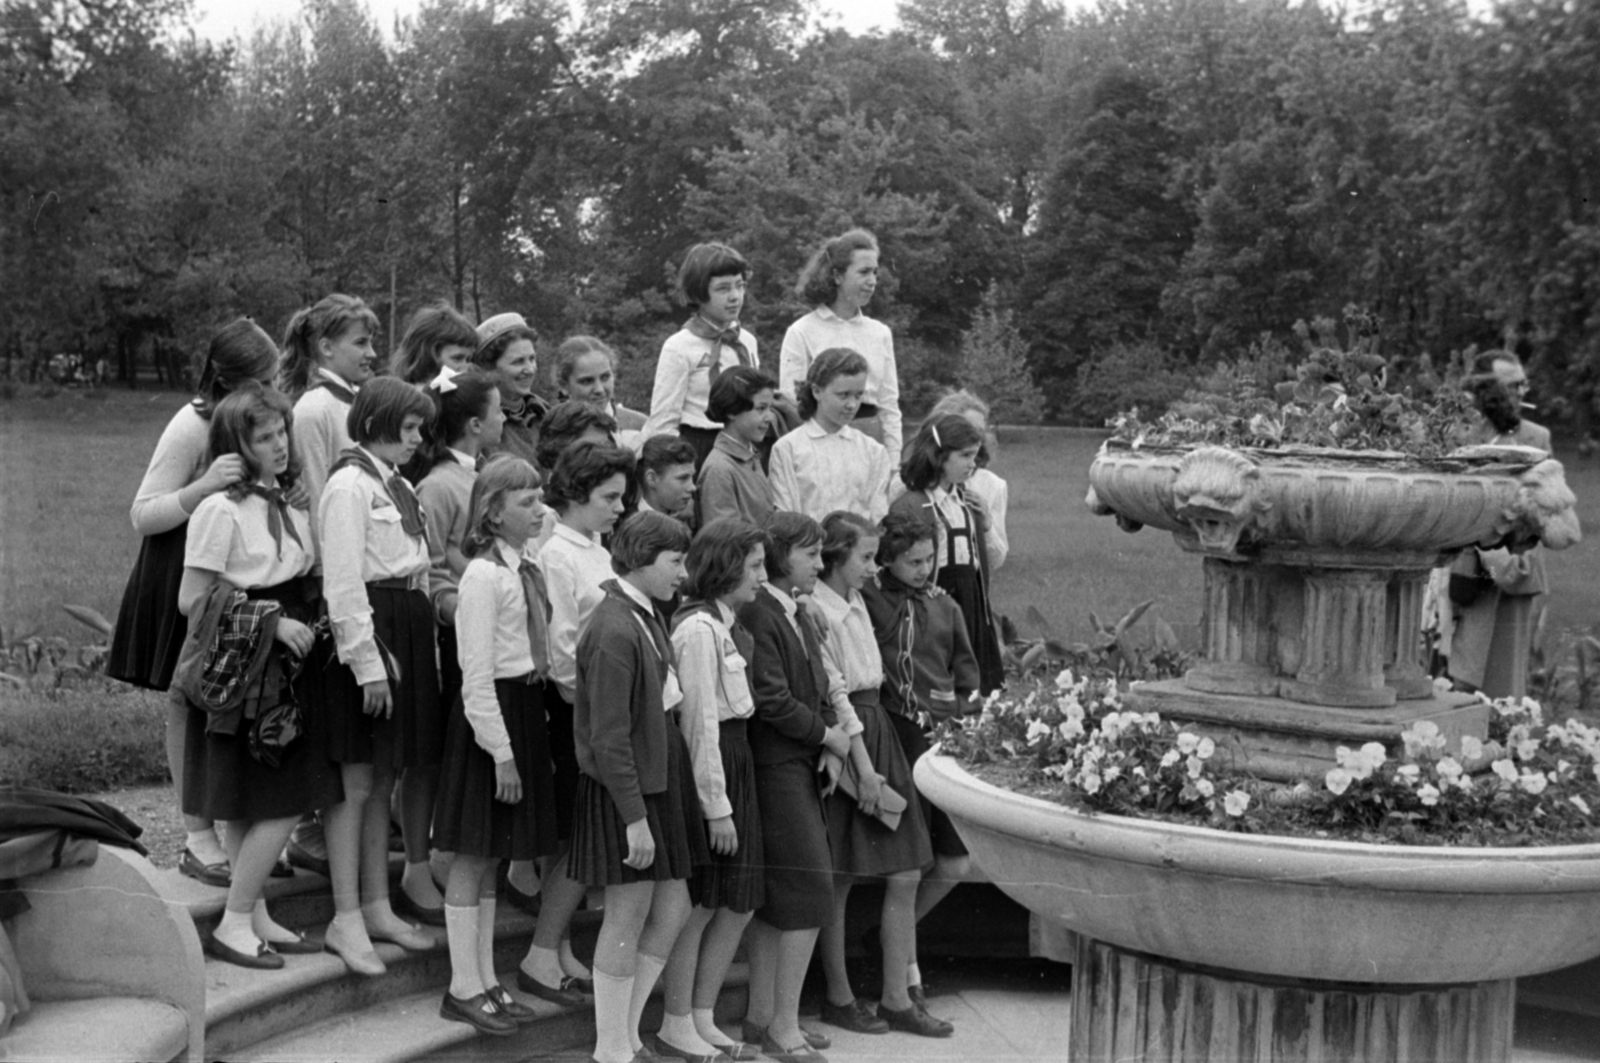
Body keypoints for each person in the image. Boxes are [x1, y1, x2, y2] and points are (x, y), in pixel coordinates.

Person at [110, 318, 283, 888]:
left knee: (225, 698)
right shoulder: (192, 423)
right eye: (264, 377)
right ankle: (196, 835)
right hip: (182, 568)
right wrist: (203, 486)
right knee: (188, 699)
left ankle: (235, 830)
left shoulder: (254, 421)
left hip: (230, 567)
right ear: (230, 380)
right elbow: (143, 511)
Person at [174, 385, 343, 968]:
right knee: (284, 798)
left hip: (294, 661)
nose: (278, 445)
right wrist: (269, 623)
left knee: (255, 798)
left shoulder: (291, 501)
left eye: (281, 433)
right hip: (250, 665)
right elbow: (192, 598)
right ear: (235, 446)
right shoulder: (221, 510)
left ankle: (258, 912)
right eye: (263, 437)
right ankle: (235, 922)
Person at [570, 511, 706, 1063]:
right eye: (675, 562)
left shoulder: (643, 614)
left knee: (672, 907)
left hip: (658, 779)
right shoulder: (613, 629)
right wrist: (633, 817)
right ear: (642, 561)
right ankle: (610, 1050)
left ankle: (624, 1035)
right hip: (627, 791)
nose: (684, 574)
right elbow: (607, 738)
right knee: (626, 914)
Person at [317, 377, 442, 974]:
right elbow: (343, 583)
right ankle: (345, 916)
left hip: (406, 624)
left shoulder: (392, 483)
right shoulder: (348, 487)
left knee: (386, 771)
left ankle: (375, 904)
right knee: (357, 781)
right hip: (373, 631)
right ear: (377, 423)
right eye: (410, 428)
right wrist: (367, 664)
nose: (418, 439)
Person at [432, 457, 560, 1036]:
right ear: (492, 512)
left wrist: (533, 510)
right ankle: (463, 986)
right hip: (493, 718)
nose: (539, 510)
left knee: (495, 854)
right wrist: (501, 751)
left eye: (540, 498)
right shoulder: (484, 577)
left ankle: (486, 979)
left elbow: (550, 522)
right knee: (474, 853)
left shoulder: (524, 564)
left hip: (525, 708)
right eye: (526, 502)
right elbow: (475, 677)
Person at [811, 512, 944, 1037]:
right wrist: (863, 769)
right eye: (864, 558)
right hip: (852, 740)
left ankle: (895, 996)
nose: (873, 567)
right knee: (841, 878)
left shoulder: (857, 600)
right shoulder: (818, 610)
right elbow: (835, 691)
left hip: (878, 727)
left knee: (907, 870)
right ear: (834, 558)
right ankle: (839, 996)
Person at [515, 441, 636, 1006]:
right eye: (609, 497)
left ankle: (556, 948)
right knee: (576, 839)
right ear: (576, 495)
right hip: (574, 714)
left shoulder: (596, 549)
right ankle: (541, 953)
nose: (618, 507)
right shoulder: (557, 555)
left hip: (601, 709)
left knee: (581, 841)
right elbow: (562, 647)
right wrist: (587, 713)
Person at [738, 512, 852, 1062]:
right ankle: (783, 1025)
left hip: (799, 764)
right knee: (807, 896)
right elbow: (772, 699)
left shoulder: (796, 612)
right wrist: (827, 735)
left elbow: (820, 683)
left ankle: (763, 1018)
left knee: (785, 899)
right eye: (811, 554)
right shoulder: (762, 615)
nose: (820, 563)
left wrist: (829, 745)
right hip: (776, 767)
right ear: (782, 558)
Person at [657, 518, 770, 1060]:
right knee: (703, 902)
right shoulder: (698, 630)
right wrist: (716, 808)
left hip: (737, 758)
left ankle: (701, 1014)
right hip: (716, 764)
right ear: (725, 568)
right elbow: (699, 723)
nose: (761, 577)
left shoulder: (725, 624)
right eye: (753, 566)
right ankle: (676, 1020)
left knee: (736, 902)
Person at [861, 511, 981, 1008]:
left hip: (939, 740)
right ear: (887, 559)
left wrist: (966, 718)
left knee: (955, 860)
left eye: (930, 559)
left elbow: (967, 671)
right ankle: (906, 977)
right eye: (913, 561)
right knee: (909, 861)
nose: (924, 569)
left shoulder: (945, 605)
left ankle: (889, 937)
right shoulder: (868, 601)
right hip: (893, 739)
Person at [403, 366, 506, 924]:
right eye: (497, 411)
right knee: (429, 757)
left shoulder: (484, 475)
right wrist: (463, 602)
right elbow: (433, 568)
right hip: (450, 637)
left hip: (488, 632)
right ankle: (417, 863)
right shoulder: (440, 485)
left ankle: (445, 854)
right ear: (473, 423)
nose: (505, 418)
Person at [1442, 351, 1553, 699]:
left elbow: (1548, 509)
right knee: (1445, 676)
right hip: (1456, 570)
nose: (1521, 391)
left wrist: (1499, 546)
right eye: (1512, 384)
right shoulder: (1456, 432)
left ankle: (1502, 742)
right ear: (1482, 389)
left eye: (1523, 383)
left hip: (1509, 571)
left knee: (1502, 685)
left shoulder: (1536, 437)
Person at [889, 413, 1006, 694]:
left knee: (974, 686)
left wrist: (987, 524)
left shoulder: (969, 503)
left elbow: (988, 562)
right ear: (939, 456)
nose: (973, 464)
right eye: (965, 456)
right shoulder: (912, 504)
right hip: (932, 608)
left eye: (975, 456)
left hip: (972, 607)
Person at [780, 229, 901, 458]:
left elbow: (889, 405)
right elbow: (792, 402)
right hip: (820, 443)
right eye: (864, 272)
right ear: (837, 276)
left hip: (870, 441)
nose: (872, 281)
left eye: (875, 273)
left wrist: (894, 460)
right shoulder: (801, 331)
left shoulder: (880, 333)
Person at [643, 242, 759, 468]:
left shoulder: (746, 342)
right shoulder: (679, 346)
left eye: (740, 285)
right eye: (723, 289)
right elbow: (663, 421)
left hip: (744, 445)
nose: (735, 296)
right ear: (699, 291)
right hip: (700, 448)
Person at [769, 348, 892, 523]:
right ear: (817, 391)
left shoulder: (873, 451)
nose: (852, 404)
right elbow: (787, 514)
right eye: (843, 395)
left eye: (858, 395)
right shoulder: (788, 448)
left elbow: (878, 514)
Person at [280, 293, 381, 505]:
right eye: (361, 343)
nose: (372, 353)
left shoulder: (354, 401)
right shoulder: (315, 410)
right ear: (326, 348)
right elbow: (317, 501)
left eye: (370, 342)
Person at [925, 389, 1009, 570]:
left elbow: (995, 561)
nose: (974, 437)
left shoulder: (992, 485)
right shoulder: (913, 481)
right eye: (965, 428)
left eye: (980, 431)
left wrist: (986, 526)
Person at [697, 366, 778, 528]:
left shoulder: (751, 455)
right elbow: (726, 540)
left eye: (770, 408)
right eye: (761, 409)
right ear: (732, 411)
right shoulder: (719, 469)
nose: (769, 417)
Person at [472, 312, 547, 467]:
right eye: (518, 362)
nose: (530, 369)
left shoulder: (545, 413)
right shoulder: (482, 425)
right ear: (489, 368)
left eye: (532, 359)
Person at [552, 335, 647, 448]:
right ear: (564, 386)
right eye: (587, 381)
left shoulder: (639, 427)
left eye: (605, 377)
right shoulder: (552, 434)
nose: (599, 389)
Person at [391, 303, 480, 385]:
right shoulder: (401, 400)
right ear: (428, 360)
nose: (466, 369)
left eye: (468, 360)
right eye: (457, 358)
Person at [635, 434, 698, 522]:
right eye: (683, 478)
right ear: (652, 478)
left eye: (692, 477)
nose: (693, 487)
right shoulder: (635, 530)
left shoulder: (682, 516)